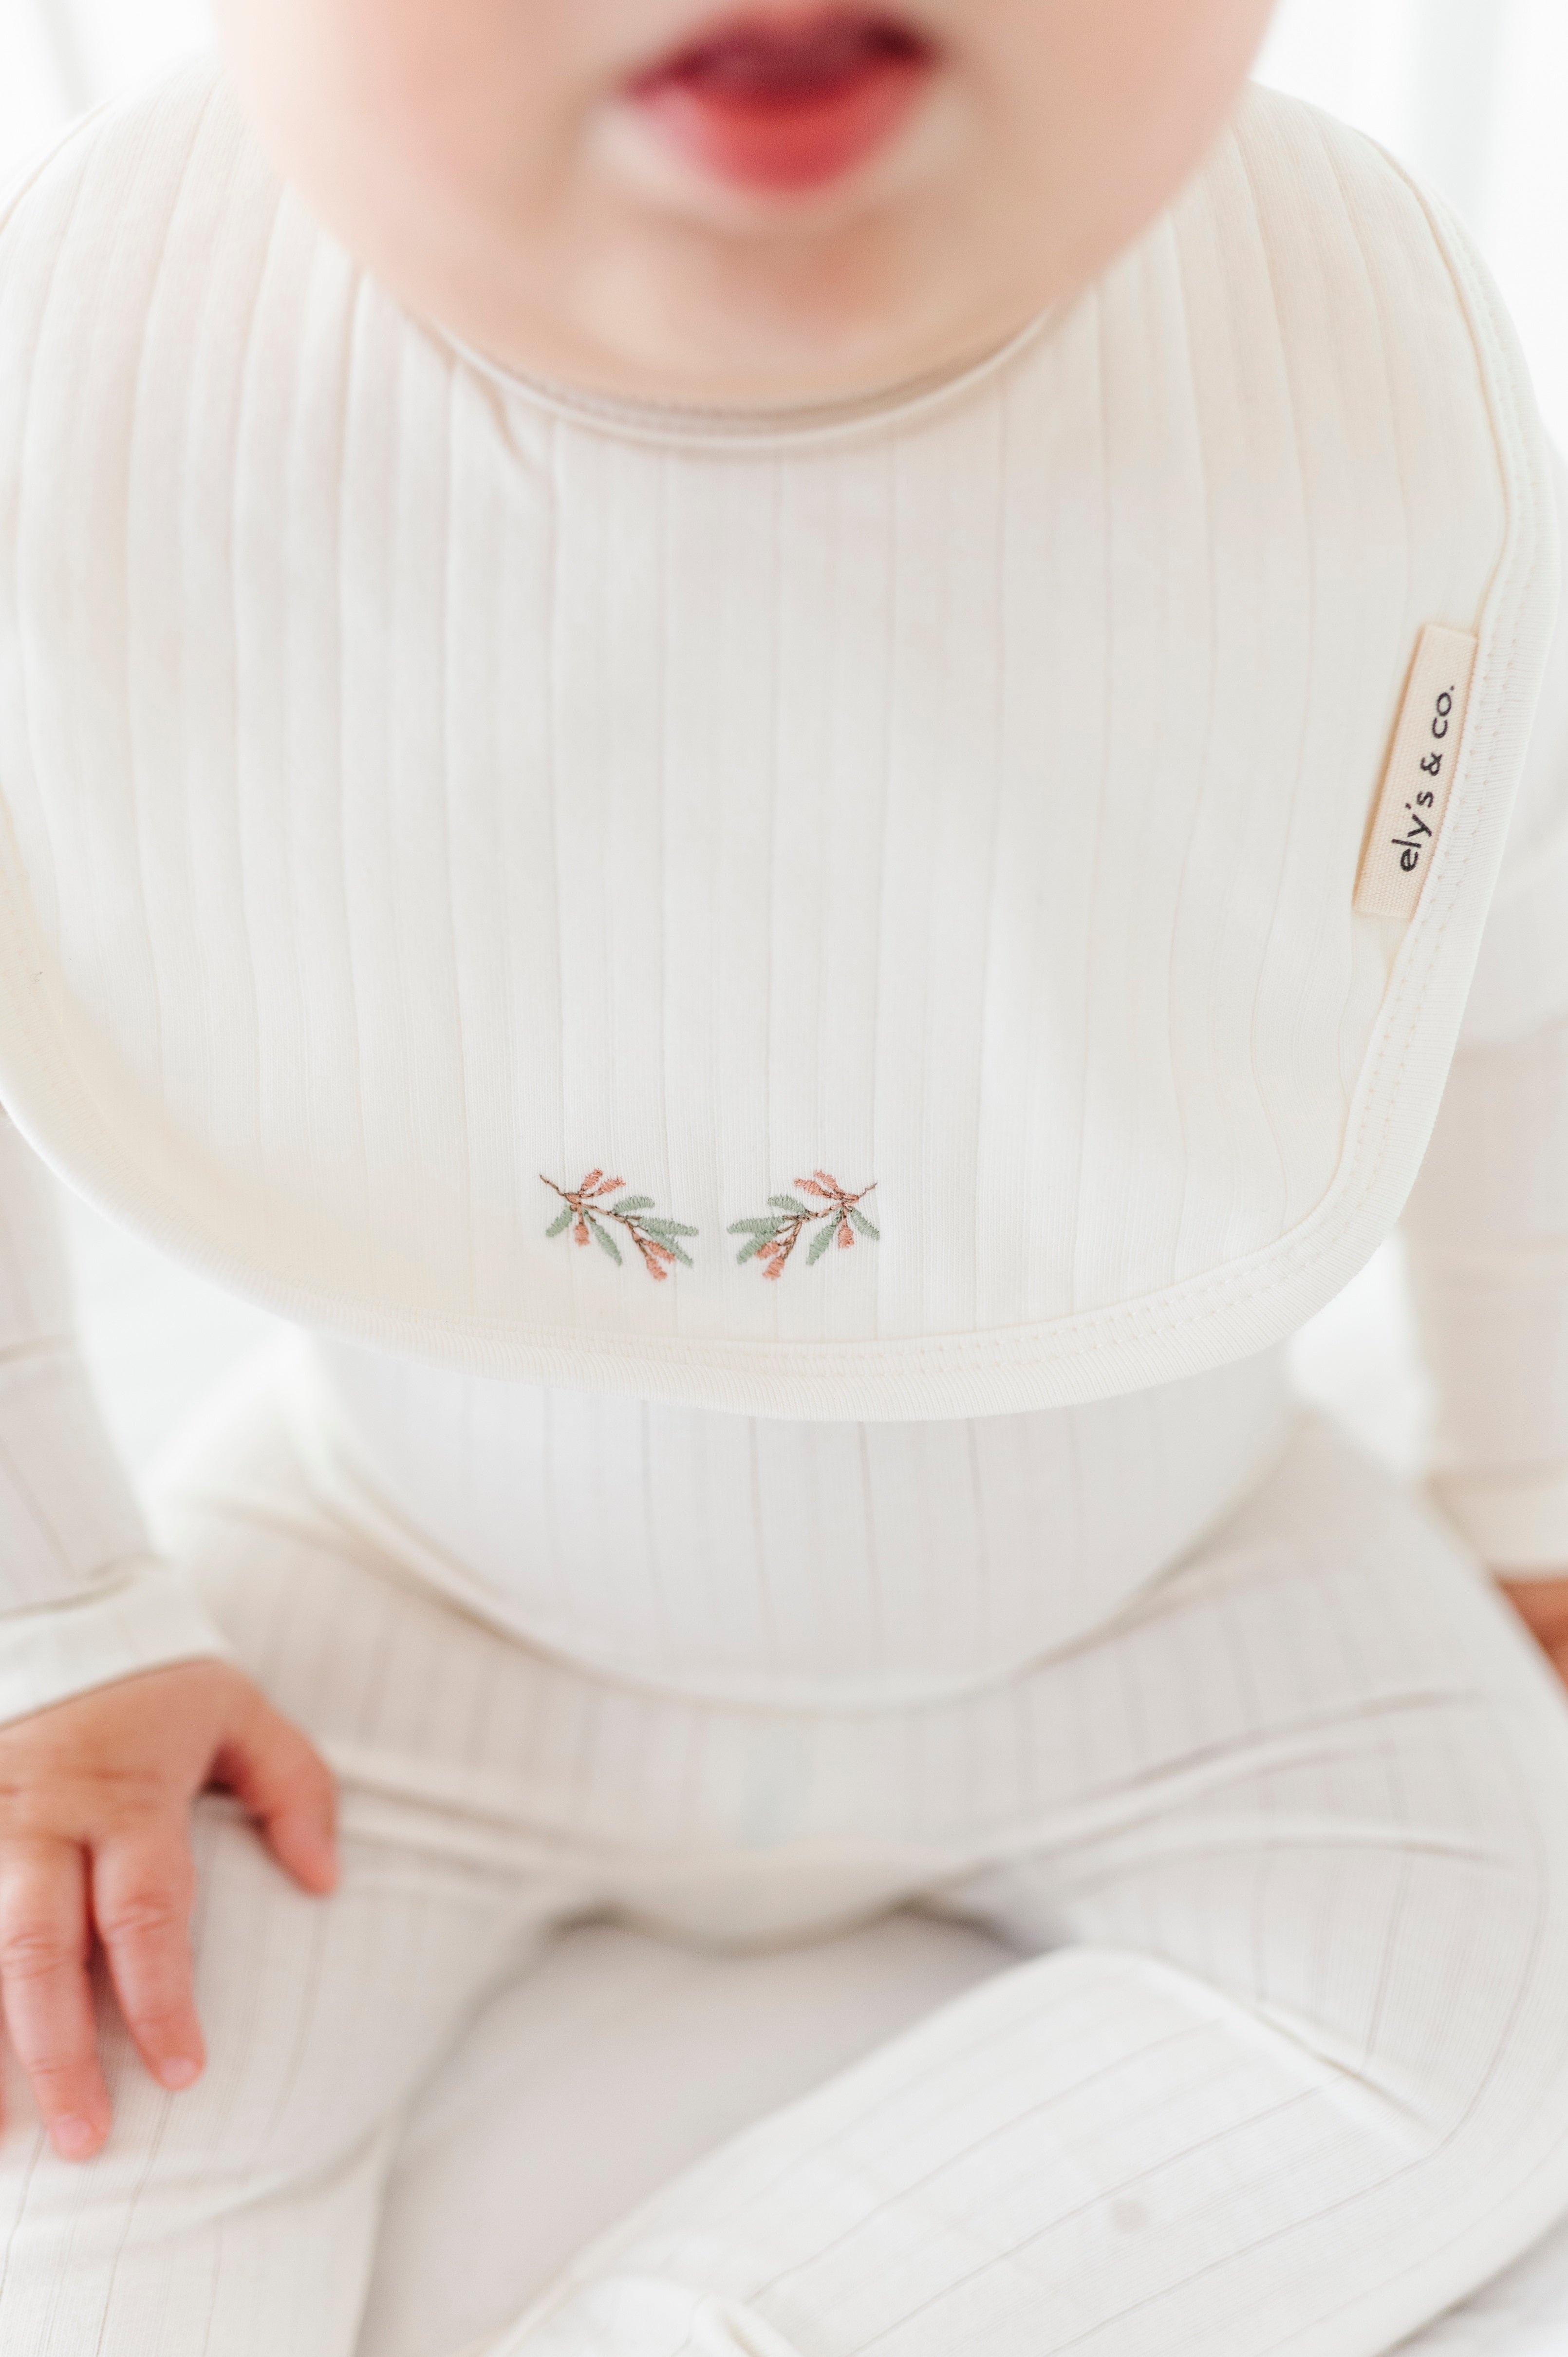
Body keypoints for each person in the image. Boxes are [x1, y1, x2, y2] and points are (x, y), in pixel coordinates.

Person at [1, 2, 1568, 2350]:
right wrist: (53, 1627)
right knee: (74, 2126)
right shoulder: (112, 400)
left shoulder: (1344, 410)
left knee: (1504, 2008)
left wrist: (1531, 1483)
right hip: (378, 1615)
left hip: (1183, 1587)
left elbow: (1508, 976)